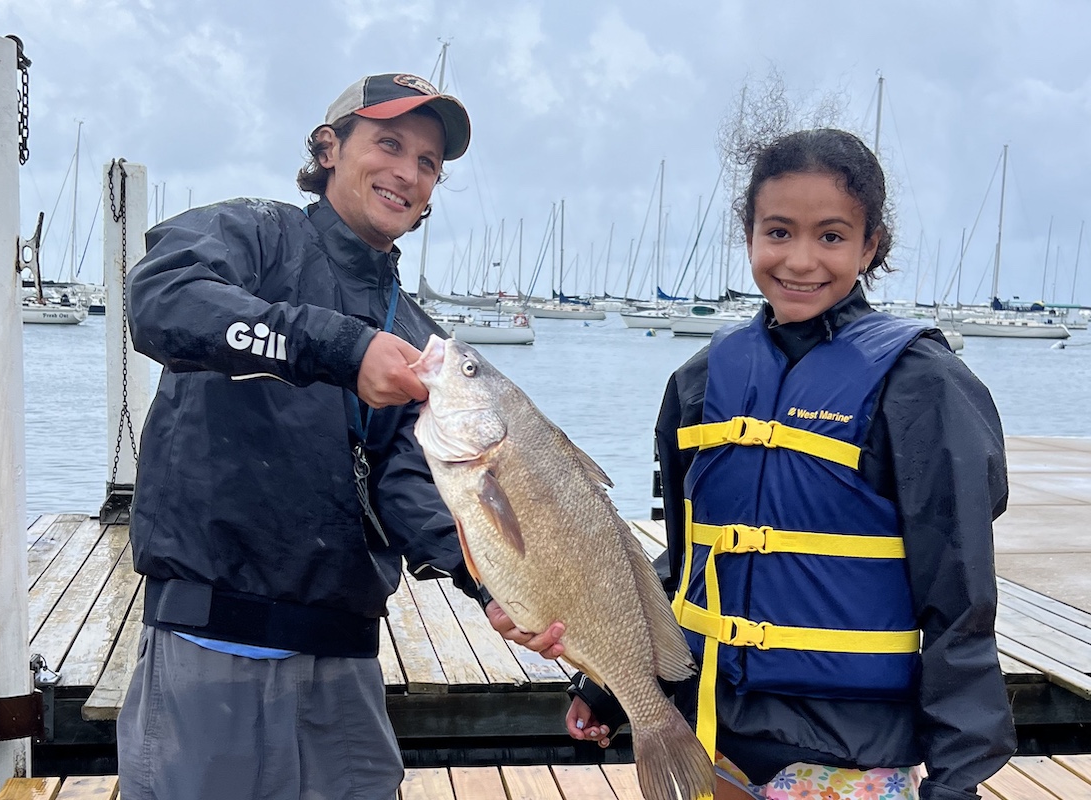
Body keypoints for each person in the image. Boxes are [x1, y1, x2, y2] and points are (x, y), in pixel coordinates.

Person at [562, 128, 1016, 800]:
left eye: (831, 236)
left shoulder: (924, 385)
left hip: (850, 757)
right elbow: (689, 564)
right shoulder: (699, 381)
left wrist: (958, 777)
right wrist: (606, 684)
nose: (800, 260)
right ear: (748, 234)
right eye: (778, 232)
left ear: (871, 246)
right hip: (711, 743)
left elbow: (960, 599)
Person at [116, 72, 481, 800]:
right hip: (208, 645)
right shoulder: (253, 235)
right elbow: (161, 302)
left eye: (429, 162)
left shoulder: (417, 335)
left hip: (345, 667)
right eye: (389, 144)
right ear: (329, 147)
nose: (407, 172)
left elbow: (406, 479)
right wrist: (342, 349)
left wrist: (488, 581)